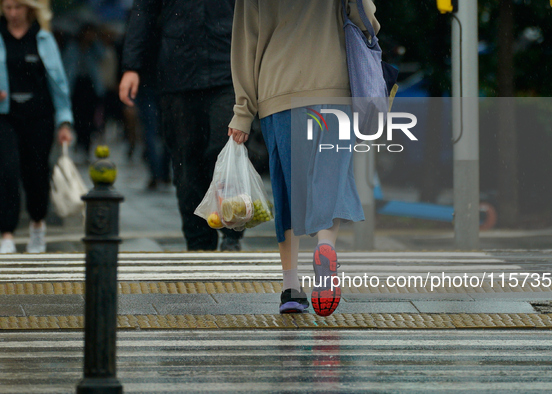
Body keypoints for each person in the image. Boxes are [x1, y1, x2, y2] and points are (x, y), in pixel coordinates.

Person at [228, 0, 379, 316]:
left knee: (288, 188)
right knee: (331, 177)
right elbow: (365, 17)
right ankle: (326, 246)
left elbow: (246, 42)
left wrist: (243, 111)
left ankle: (291, 288)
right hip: (332, 86)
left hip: (279, 89)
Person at [119, 0, 244, 251]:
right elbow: (143, 11)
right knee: (186, 164)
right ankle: (198, 243)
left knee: (224, 151)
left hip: (227, 72)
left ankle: (232, 229)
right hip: (178, 75)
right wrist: (132, 66)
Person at [0, 0, 73, 254]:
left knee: (36, 175)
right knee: (6, 172)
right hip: (5, 116)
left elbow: (59, 83)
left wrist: (65, 122)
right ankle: (6, 233)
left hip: (39, 117)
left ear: (28, 9)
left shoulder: (43, 38)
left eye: (17, 8)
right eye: (7, 8)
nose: (12, 13)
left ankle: (37, 225)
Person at [62, 23, 105, 163]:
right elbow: (67, 65)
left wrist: (94, 42)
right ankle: (80, 144)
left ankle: (86, 146)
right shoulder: (73, 47)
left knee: (89, 118)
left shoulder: (93, 48)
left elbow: (103, 55)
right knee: (78, 116)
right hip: (76, 85)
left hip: (90, 86)